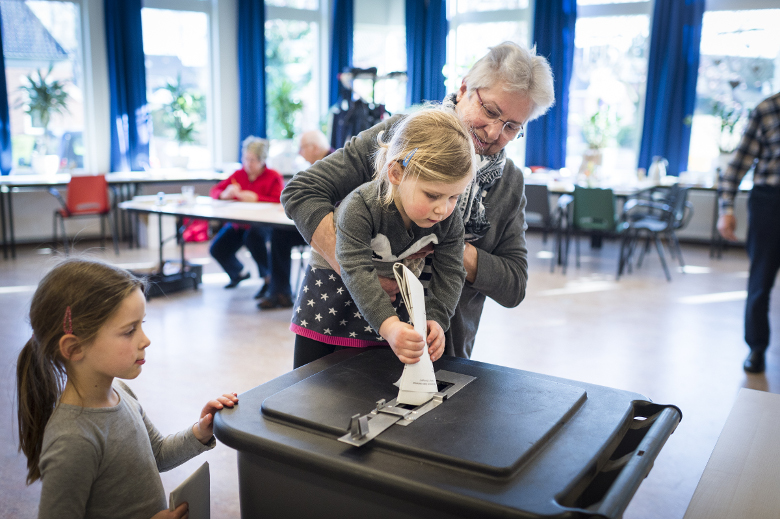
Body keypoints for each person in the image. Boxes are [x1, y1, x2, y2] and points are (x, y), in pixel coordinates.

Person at [282, 41, 555, 360]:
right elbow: (302, 192)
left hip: (437, 347)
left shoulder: (508, 182)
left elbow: (514, 285)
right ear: (465, 88)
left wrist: (451, 249)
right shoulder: (401, 136)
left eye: (512, 127)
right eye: (490, 111)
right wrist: (357, 270)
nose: (495, 131)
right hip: (341, 328)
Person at [16, 258, 239, 519]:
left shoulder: (120, 392)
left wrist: (200, 431)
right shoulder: (72, 440)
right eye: (129, 330)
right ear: (74, 348)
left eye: (141, 324)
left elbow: (157, 454)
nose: (146, 340)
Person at [289, 108, 476, 368]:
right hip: (331, 296)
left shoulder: (448, 219)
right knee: (315, 386)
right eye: (432, 195)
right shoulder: (361, 206)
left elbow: (451, 271)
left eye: (454, 197)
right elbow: (355, 270)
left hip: (387, 305)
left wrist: (436, 319)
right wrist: (389, 327)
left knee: (374, 381)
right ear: (396, 173)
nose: (442, 209)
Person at [717, 91, 780, 374]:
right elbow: (737, 165)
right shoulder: (768, 108)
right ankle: (757, 348)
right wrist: (726, 209)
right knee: (760, 281)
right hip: (771, 202)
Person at [257, 130, 334, 310]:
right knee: (277, 235)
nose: (299, 153)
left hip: (330, 225)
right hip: (315, 222)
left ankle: (280, 292)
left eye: (301, 148)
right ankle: (280, 292)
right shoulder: (319, 164)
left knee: (277, 236)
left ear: (314, 148)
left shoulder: (333, 162)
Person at [210, 136, 283, 295]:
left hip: (263, 224)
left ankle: (268, 279)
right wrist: (224, 194)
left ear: (262, 160)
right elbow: (214, 191)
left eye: (252, 160)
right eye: (246, 159)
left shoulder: (273, 176)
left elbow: (280, 200)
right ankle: (239, 273)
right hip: (240, 223)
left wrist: (258, 198)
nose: (248, 164)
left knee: (253, 238)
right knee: (217, 248)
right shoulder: (238, 174)